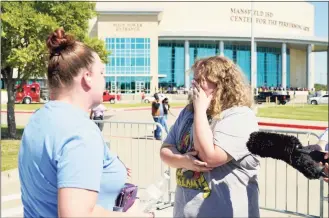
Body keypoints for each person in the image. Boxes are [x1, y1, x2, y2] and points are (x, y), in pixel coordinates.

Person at [18, 28, 153, 218]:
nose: (104, 79)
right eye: (102, 72)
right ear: (87, 77)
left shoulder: (39, 119)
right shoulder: (80, 132)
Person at [160, 56, 260, 217]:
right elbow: (165, 151)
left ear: (221, 85)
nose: (194, 85)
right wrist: (184, 161)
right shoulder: (188, 112)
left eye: (201, 80)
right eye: (194, 79)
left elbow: (210, 157)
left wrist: (200, 110)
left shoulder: (240, 116)